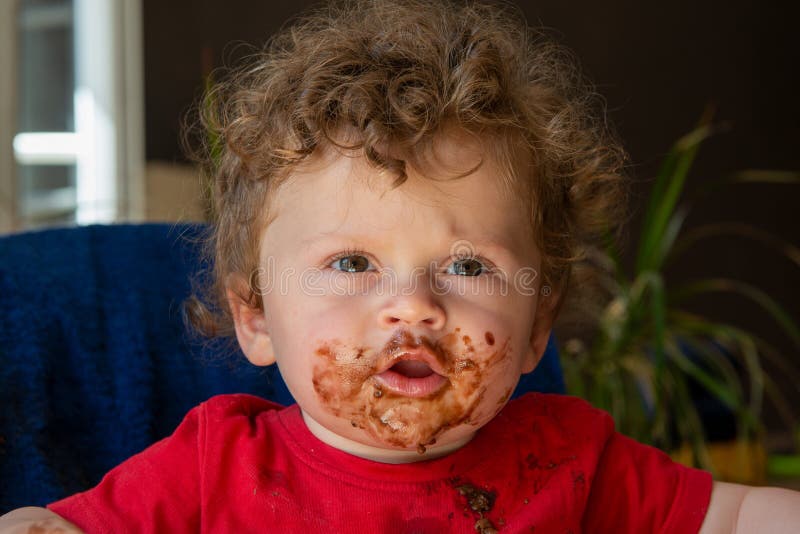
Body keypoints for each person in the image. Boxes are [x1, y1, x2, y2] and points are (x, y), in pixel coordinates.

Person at [2, 0, 799, 532]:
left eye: (468, 267)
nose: (412, 305)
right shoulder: (215, 467)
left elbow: (733, 517)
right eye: (353, 261)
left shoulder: (571, 460)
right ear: (255, 316)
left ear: (537, 328)